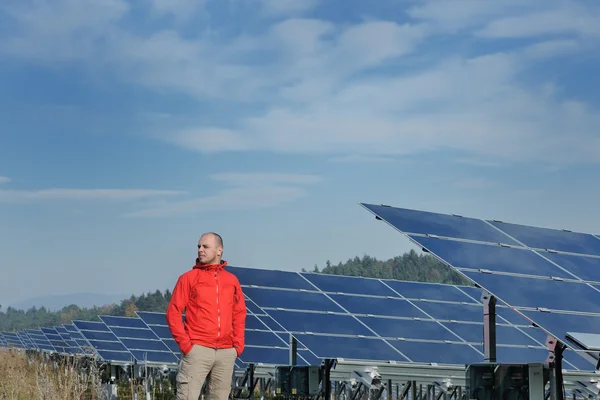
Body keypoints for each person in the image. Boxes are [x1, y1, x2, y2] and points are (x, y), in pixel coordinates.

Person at [166, 232, 247, 400]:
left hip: (225, 352)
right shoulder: (188, 278)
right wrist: (187, 346)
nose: (200, 250)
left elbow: (239, 313)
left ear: (219, 250)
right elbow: (173, 312)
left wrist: (237, 346)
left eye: (205, 246)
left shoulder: (231, 281)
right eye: (199, 246)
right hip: (197, 349)